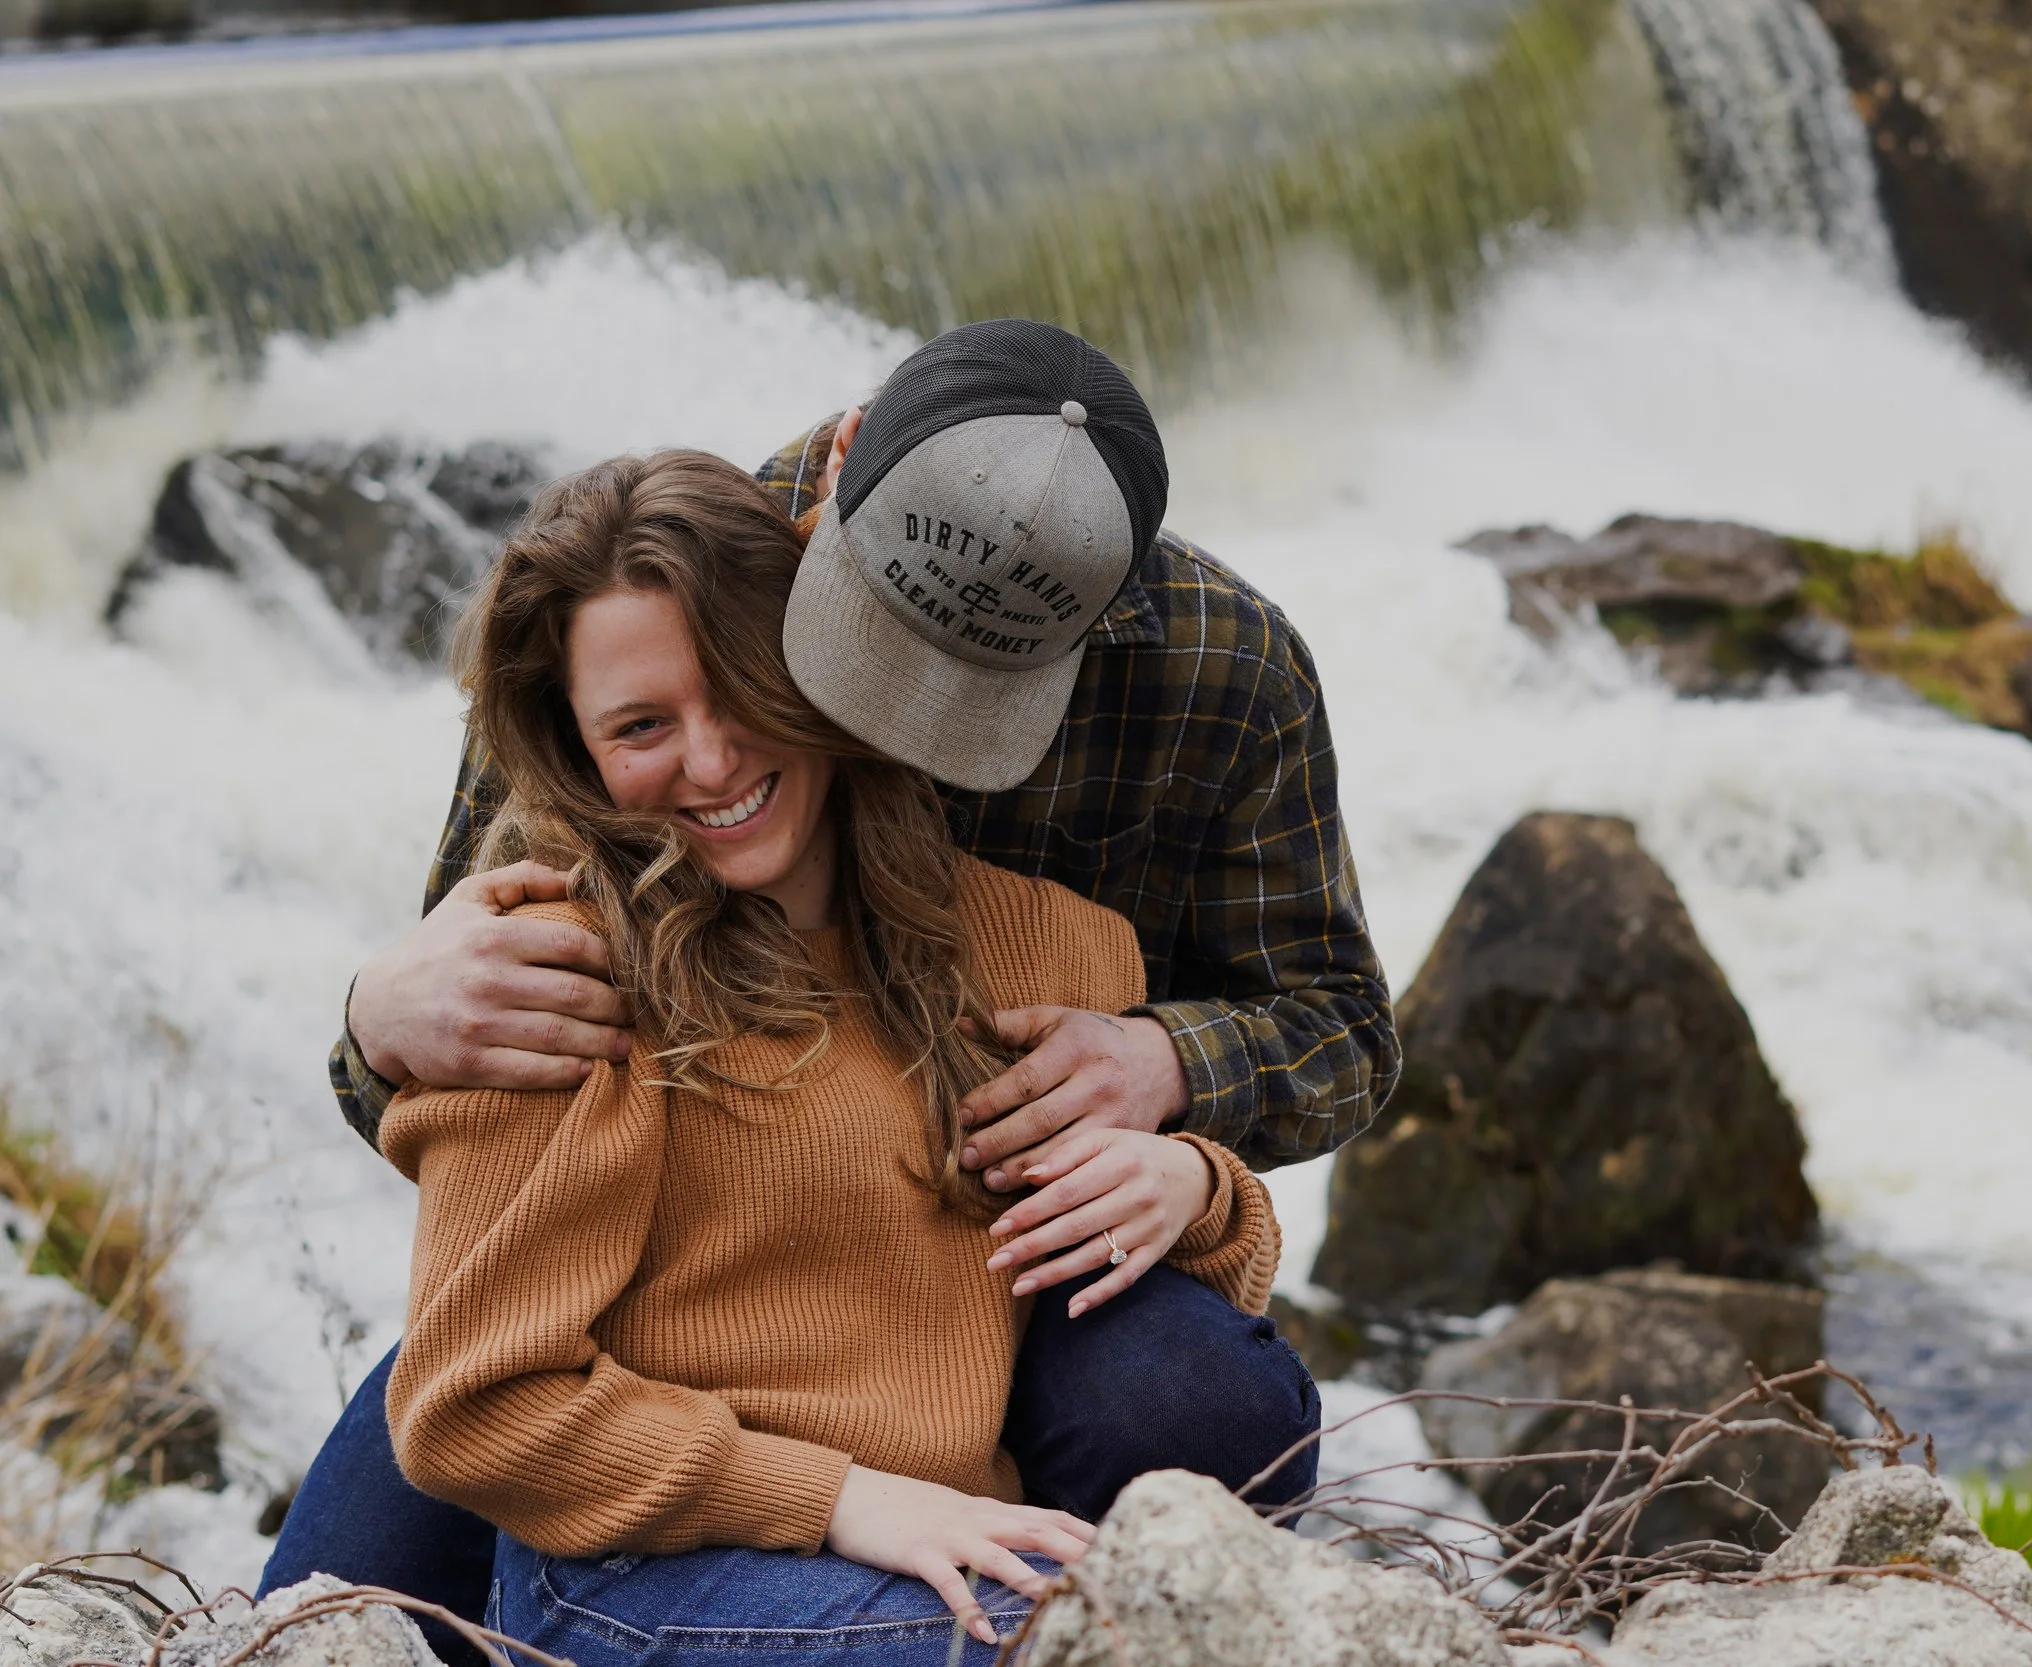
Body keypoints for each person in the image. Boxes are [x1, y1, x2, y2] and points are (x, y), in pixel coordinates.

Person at [265, 322, 1386, 1652]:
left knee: (1192, 1406)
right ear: (842, 470)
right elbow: (486, 1071)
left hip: (979, 1288)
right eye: (870, 649)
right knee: (320, 1616)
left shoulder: (1219, 681)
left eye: (982, 691)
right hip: (670, 1346)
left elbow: (1342, 1027)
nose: (908, 724)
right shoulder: (674, 582)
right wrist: (372, 1027)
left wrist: (1173, 1083)